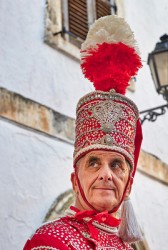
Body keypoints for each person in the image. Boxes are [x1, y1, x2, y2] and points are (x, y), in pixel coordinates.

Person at [23, 15, 143, 249]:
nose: (106, 174)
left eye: (117, 164)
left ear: (128, 184)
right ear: (75, 181)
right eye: (94, 162)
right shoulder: (49, 240)